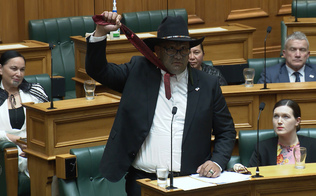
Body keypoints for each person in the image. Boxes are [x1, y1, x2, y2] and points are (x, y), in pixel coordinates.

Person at [86, 11, 236, 196]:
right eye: (171, 49)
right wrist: (100, 32)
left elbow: (226, 131)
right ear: (157, 51)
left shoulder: (207, 85)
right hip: (143, 181)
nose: (178, 55)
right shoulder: (138, 71)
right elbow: (98, 70)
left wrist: (218, 161)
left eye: (183, 49)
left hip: (189, 181)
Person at [0, 50, 49, 177]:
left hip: (35, 147)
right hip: (10, 149)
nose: (18, 74)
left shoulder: (35, 91)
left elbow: (46, 123)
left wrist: (34, 147)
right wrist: (15, 139)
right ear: (0, 69)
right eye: (14, 68)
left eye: (22, 69)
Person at [248, 99, 316, 167]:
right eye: (276, 116)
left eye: (285, 116)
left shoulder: (313, 146)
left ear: (297, 121)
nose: (279, 121)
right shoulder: (262, 148)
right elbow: (251, 175)